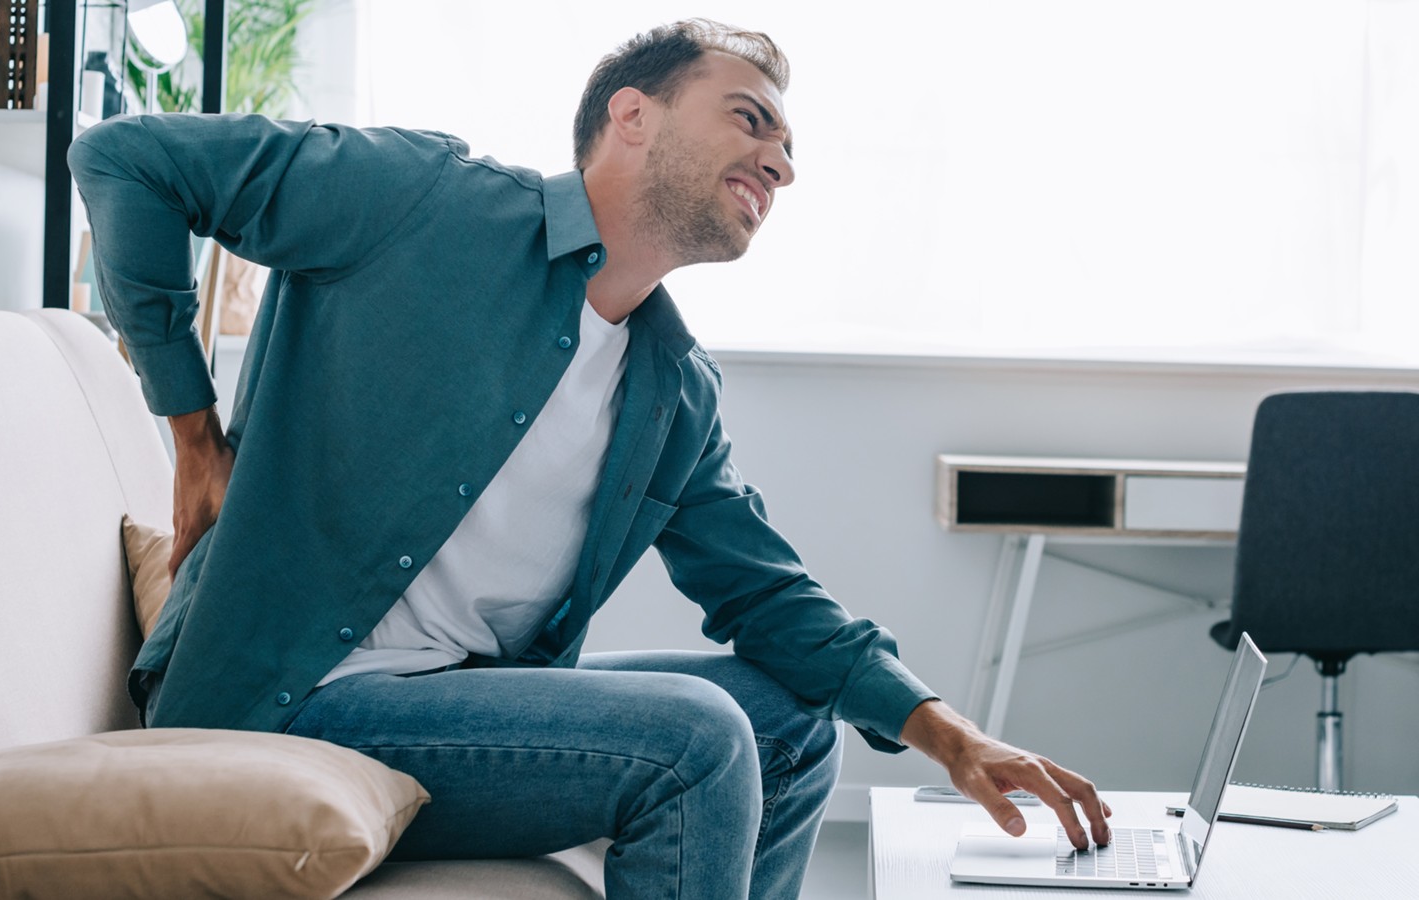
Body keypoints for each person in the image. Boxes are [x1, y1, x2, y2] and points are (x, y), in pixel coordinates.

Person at [71, 18, 1111, 900]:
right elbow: (129, 159)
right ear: (632, 115)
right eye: (750, 119)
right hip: (282, 697)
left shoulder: (670, 390)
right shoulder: (423, 201)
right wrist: (193, 436)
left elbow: (768, 597)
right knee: (697, 737)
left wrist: (949, 735)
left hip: (445, 709)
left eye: (790, 149)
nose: (782, 165)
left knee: (796, 728)